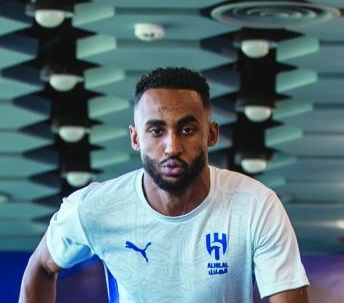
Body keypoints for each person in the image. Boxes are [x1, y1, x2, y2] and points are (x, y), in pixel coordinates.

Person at [19, 67, 310, 303]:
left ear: (211, 134)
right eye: (156, 130)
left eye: (187, 129)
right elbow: (42, 266)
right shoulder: (94, 208)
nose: (172, 146)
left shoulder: (256, 206)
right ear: (135, 138)